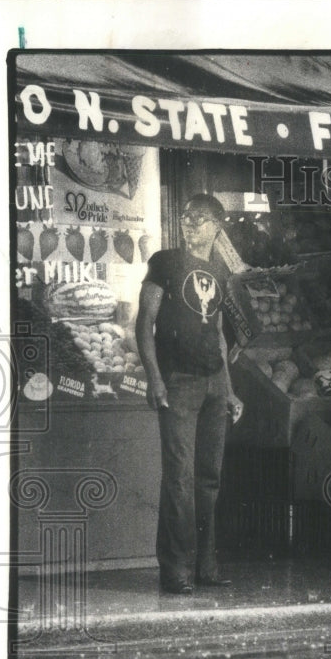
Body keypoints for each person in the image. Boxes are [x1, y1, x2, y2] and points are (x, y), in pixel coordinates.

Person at [136, 194, 244, 594]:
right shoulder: (164, 263)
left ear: (216, 226)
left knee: (208, 479)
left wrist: (229, 392)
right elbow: (144, 322)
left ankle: (205, 565)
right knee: (179, 479)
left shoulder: (218, 271)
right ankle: (176, 569)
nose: (189, 223)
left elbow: (217, 334)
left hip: (215, 383)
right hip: (178, 381)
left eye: (198, 219)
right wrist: (154, 378)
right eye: (185, 216)